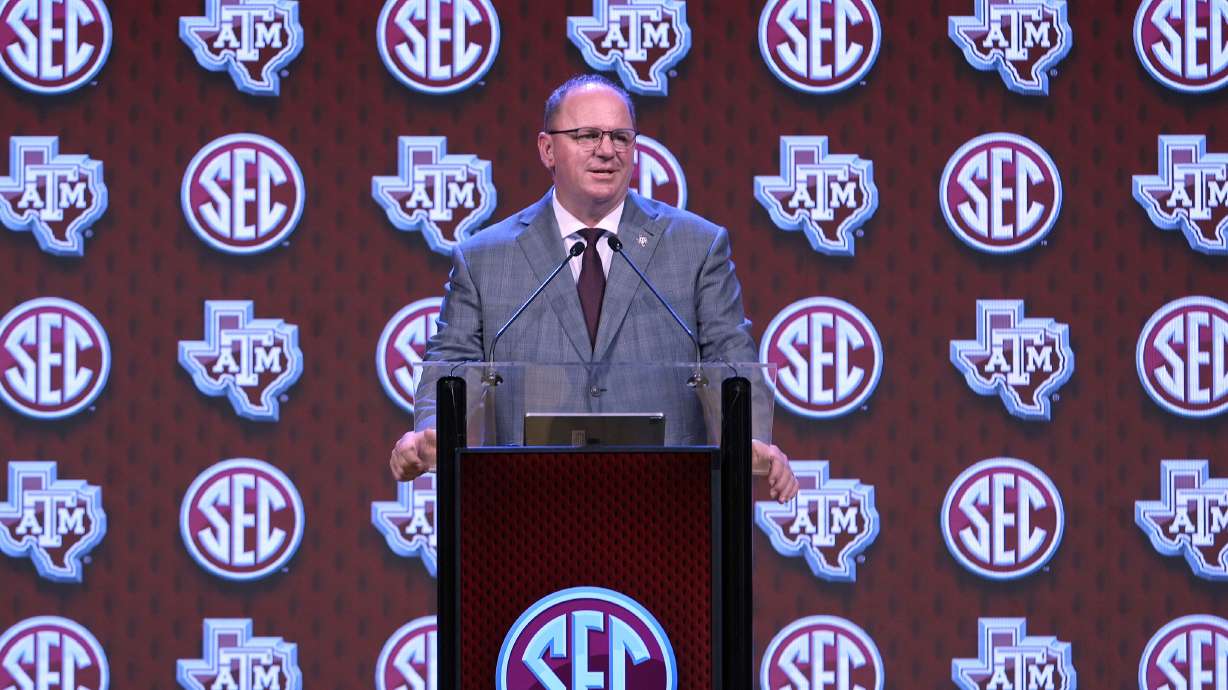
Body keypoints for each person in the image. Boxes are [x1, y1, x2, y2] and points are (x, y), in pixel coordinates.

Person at [388, 74, 798, 503]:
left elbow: (730, 358)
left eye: (621, 137)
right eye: (587, 135)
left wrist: (751, 438)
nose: (606, 150)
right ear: (547, 149)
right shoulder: (484, 258)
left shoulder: (696, 246)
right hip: (525, 503)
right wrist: (430, 434)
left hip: (665, 503)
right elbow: (450, 363)